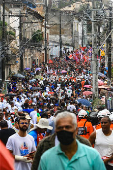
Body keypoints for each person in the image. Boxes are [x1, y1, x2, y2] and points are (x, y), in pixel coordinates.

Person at [38, 111, 106, 170]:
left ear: (76, 130)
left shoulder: (93, 155)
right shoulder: (46, 158)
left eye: (68, 127)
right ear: (55, 131)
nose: (64, 130)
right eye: (60, 127)